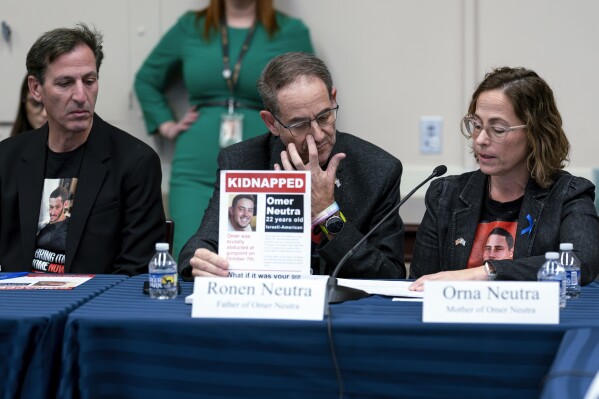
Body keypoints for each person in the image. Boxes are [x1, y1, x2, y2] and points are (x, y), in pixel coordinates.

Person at [179, 52, 405, 280]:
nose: (317, 135)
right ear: (271, 123)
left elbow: (390, 275)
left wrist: (327, 214)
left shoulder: (378, 170)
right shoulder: (241, 161)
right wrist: (201, 262)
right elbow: (202, 242)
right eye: (299, 124)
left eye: (325, 116)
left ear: (333, 99)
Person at [134, 0, 313, 260]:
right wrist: (165, 123)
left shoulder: (290, 30)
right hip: (195, 170)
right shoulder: (191, 26)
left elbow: (309, 92)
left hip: (264, 166)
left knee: (256, 257)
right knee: (191, 255)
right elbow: (146, 79)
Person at [409, 66, 599, 290]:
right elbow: (420, 282)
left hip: (534, 323)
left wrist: (488, 272)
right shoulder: (446, 195)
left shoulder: (568, 194)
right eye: (477, 125)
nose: (480, 139)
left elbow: (579, 264)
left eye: (497, 129)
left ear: (535, 133)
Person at [0, 24, 165, 275]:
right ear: (36, 89)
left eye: (89, 81)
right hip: (17, 306)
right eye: (65, 83)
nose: (81, 95)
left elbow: (136, 271)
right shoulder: (7, 158)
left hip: (93, 307)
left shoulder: (135, 163)